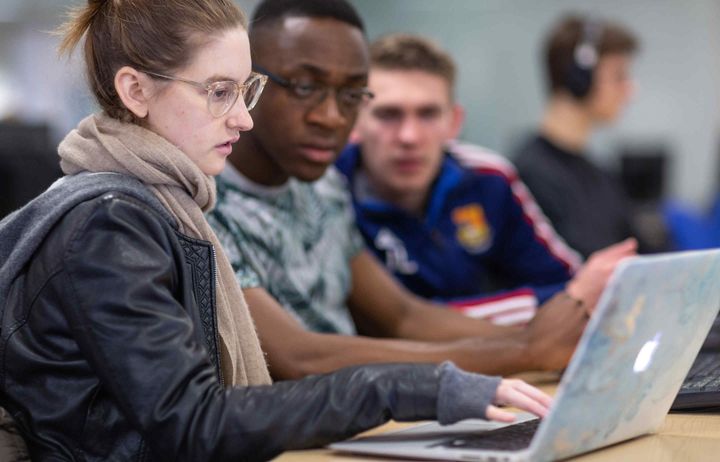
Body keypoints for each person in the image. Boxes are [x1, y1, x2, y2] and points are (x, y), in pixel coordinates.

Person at [0, 1, 554, 459]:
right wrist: (413, 386)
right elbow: (194, 424)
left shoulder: (160, 203)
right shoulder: (109, 222)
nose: (243, 117)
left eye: (246, 91)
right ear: (136, 91)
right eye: (219, 92)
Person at [208, 0, 637, 381]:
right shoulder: (204, 203)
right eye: (304, 86)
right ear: (250, 82)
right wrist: (524, 350)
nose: (332, 116)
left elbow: (403, 316)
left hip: (361, 410)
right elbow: (296, 356)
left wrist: (546, 341)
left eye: (352, 93)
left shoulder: (323, 187)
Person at [336, 33, 584, 324]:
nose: (409, 137)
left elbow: (573, 290)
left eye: (428, 114)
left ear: (454, 122)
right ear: (354, 122)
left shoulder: (488, 178)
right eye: (388, 114)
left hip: (488, 360)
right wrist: (525, 309)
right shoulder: (327, 191)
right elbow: (384, 326)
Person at [513, 15, 639, 258]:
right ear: (579, 79)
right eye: (619, 76)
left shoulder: (601, 174)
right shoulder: (530, 175)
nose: (631, 90)